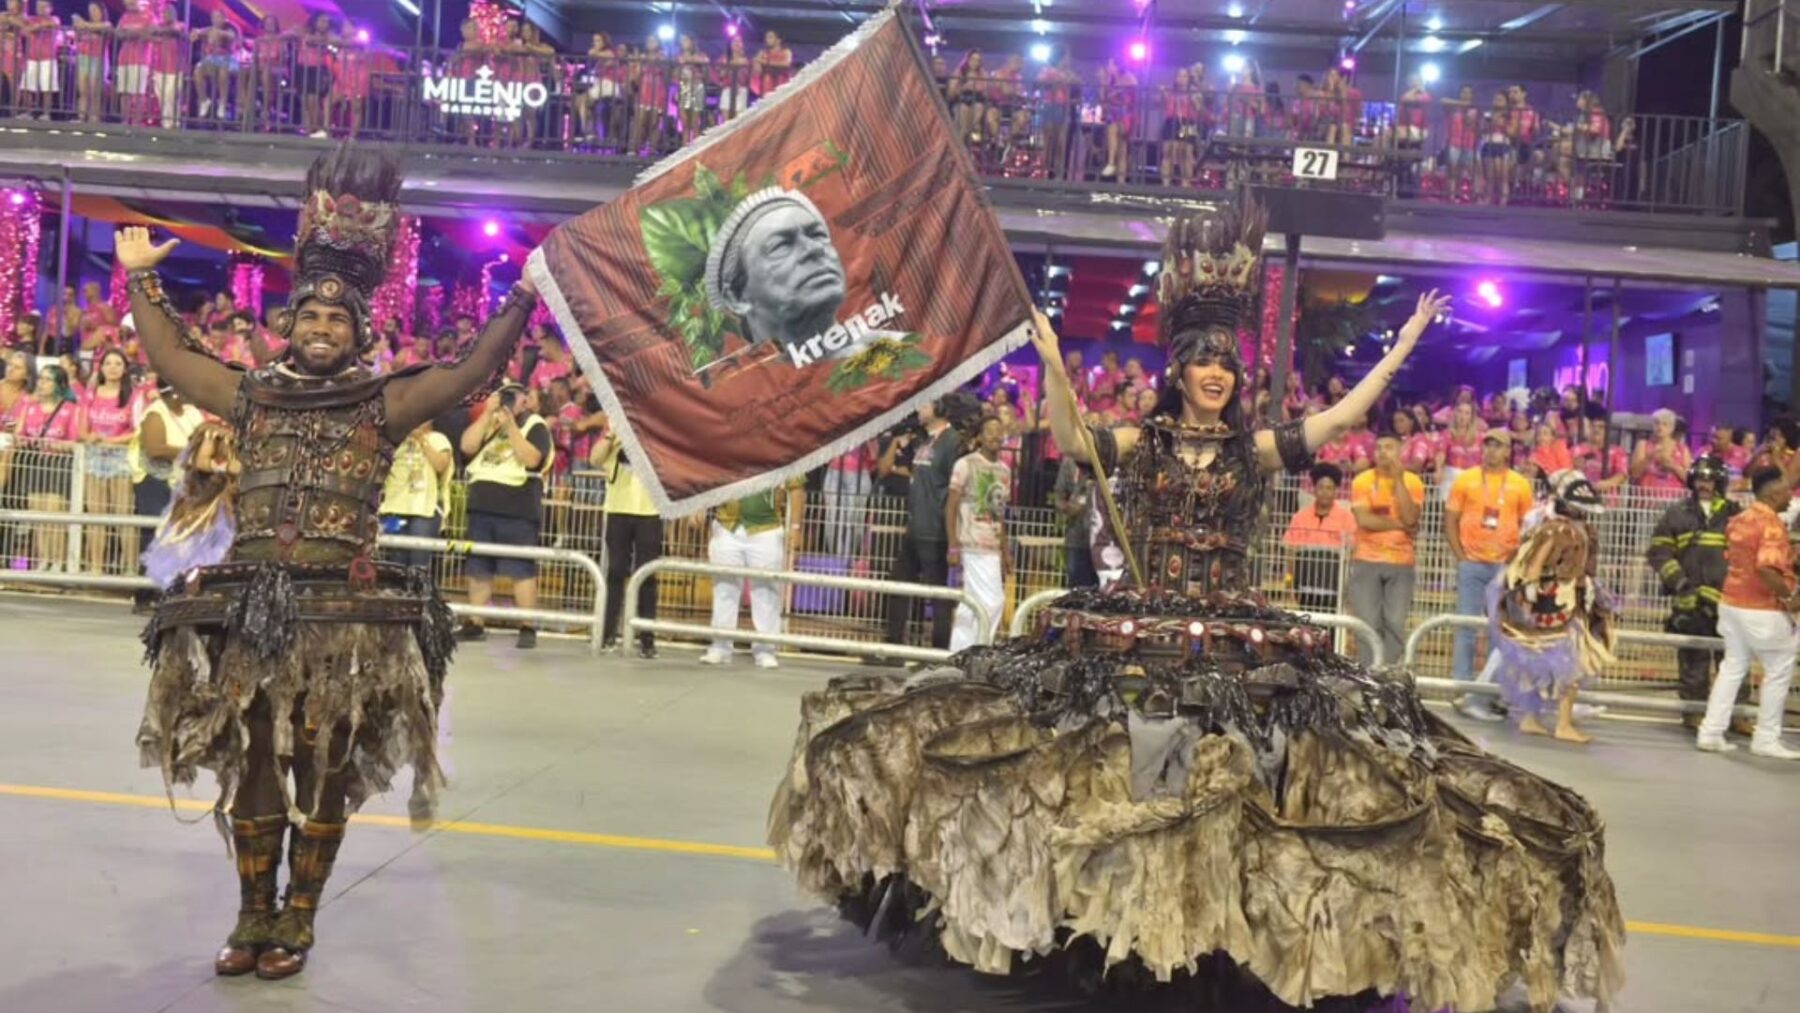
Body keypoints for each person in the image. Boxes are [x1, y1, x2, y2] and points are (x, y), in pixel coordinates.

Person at [769, 195, 1621, 1011]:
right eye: (1203, 360)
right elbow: (1070, 438)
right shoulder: (1139, 443)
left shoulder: (1255, 449)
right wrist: (1058, 365)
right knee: (1120, 786)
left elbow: (1336, 417)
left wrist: (1398, 353)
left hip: (1237, 641)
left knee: (1251, 796)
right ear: (1178, 367)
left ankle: (1208, 935)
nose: (1216, 373)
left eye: (1227, 362)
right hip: (1135, 631)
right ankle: (1121, 928)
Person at [122, 146, 538, 981]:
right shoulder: (251, 393)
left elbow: (471, 371)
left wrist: (522, 297)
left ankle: (299, 918)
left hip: (342, 628)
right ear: (289, 324)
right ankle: (251, 913)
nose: (320, 329)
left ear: (359, 330)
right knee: (252, 770)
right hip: (255, 617)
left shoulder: (382, 405)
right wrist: (141, 280)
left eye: (337, 320)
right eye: (309, 317)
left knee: (321, 767)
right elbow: (172, 361)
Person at [1486, 470, 1614, 743]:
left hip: (1557, 601)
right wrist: (1531, 595)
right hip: (1559, 604)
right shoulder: (1556, 529)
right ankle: (1563, 725)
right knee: (1573, 663)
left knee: (1543, 663)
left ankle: (1531, 719)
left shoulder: (1561, 527)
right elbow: (1532, 566)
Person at [1696, 466, 1800, 759]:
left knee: (1732, 667)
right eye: (1787, 492)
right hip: (1761, 609)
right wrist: (1790, 596)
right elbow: (1766, 568)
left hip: (1731, 604)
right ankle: (1766, 738)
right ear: (1774, 494)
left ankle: (1710, 732)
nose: (1791, 498)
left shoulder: (1738, 519)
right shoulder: (1771, 526)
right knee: (1779, 668)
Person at [1647, 455, 1749, 733]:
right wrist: (1679, 583)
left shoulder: (1734, 513)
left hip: (1727, 600)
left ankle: (1737, 715)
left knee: (1735, 659)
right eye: (1700, 478)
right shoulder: (1676, 513)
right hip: (1689, 601)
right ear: (1693, 480)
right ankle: (1693, 712)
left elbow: (1745, 554)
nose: (1705, 484)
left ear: (1720, 482)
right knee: (1693, 659)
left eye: (1710, 479)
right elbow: (1658, 552)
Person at [1445, 430, 1535, 720]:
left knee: (1501, 632)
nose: (1492, 451)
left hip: (1504, 569)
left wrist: (1514, 560)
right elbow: (1450, 519)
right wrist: (1461, 557)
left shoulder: (1520, 485)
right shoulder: (1465, 479)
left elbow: (1528, 527)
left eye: (1499, 446)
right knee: (1466, 627)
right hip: (1471, 564)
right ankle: (1462, 689)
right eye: (1488, 445)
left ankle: (1492, 693)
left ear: (1509, 450)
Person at [457, 382, 553, 649]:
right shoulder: (489, 422)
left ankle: (527, 625)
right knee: (478, 569)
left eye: (515, 395)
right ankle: (475, 622)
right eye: (505, 395)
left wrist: (511, 426)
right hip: (482, 505)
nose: (509, 401)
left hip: (518, 508)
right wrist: (488, 414)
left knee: (521, 570)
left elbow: (532, 459)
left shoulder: (535, 425)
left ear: (526, 400)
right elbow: (467, 446)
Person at [882, 396, 970, 654]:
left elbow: (955, 490)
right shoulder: (926, 440)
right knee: (898, 584)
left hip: (935, 529)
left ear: (939, 409)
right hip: (915, 526)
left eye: (924, 404)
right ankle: (893, 645)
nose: (919, 409)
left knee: (937, 593)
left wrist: (952, 538)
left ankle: (938, 650)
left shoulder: (951, 442)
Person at [701, 478, 804, 669]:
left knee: (766, 591)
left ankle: (765, 650)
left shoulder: (781, 448)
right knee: (724, 589)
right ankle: (720, 647)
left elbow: (796, 487)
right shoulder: (722, 446)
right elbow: (706, 475)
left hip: (766, 528)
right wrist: (698, 507)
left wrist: (795, 527)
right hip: (726, 526)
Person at [1347, 430, 1424, 663]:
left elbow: (1412, 518)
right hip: (1366, 558)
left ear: (1400, 452)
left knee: (1395, 623)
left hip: (1401, 562)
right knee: (1367, 622)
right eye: (1378, 447)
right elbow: (1364, 520)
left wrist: (1399, 480)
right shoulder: (1362, 481)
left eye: (1389, 447)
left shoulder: (1413, 482)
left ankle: (1386, 673)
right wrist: (1398, 524)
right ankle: (1369, 675)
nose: (1382, 452)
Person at [946, 414, 1012, 652]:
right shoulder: (966, 464)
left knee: (971, 603)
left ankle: (960, 652)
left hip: (992, 546)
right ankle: (979, 649)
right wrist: (953, 544)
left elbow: (1000, 513)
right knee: (994, 601)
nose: (996, 435)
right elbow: (951, 505)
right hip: (971, 542)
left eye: (999, 430)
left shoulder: (1004, 470)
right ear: (980, 437)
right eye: (990, 431)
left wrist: (1005, 551)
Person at [594, 428, 661, 659]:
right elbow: (595, 458)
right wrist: (612, 436)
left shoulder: (656, 427)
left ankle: (646, 639)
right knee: (615, 572)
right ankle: (607, 633)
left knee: (647, 576)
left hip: (650, 511)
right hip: (617, 510)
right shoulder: (614, 425)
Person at [78, 347, 139, 575]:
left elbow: (137, 431)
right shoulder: (90, 394)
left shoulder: (132, 395)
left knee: (123, 515)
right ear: (101, 368)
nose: (112, 368)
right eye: (108, 363)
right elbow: (82, 430)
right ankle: (96, 567)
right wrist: (91, 437)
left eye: (117, 364)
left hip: (121, 459)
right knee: (96, 516)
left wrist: (111, 441)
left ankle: (131, 568)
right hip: (94, 459)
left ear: (124, 369)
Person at [378, 421, 453, 573]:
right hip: (394, 509)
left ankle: (417, 593)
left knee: (419, 562)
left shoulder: (438, 439)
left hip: (425, 511)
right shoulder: (398, 441)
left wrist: (421, 439)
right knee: (394, 561)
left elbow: (440, 465)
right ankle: (397, 593)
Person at [1282, 462, 1356, 614]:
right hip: (1305, 582)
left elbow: (1352, 555)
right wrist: (1288, 584)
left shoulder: (1347, 518)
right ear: (1314, 489)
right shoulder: (1300, 517)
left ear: (1336, 491)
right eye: (1321, 487)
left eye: (1329, 488)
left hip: (1334, 585)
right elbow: (1290, 553)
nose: (1325, 492)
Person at [1052, 454, 1097, 589]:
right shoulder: (1069, 463)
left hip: (1105, 542)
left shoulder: (1109, 461)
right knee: (1077, 592)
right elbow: (1058, 498)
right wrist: (1068, 508)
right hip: (1077, 540)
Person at [1631, 407, 1691, 492]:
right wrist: (1649, 458)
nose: (1660, 427)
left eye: (1665, 424)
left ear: (1672, 428)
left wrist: (1673, 466)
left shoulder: (1682, 449)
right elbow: (1634, 474)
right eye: (1657, 423)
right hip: (1646, 498)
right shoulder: (1643, 445)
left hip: (1674, 499)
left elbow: (1689, 479)